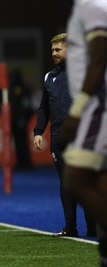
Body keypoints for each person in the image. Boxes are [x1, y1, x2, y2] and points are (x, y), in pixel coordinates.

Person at [34, 33, 96, 238]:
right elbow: (44, 108)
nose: (53, 53)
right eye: (52, 50)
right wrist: (38, 131)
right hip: (59, 139)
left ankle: (93, 227)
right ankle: (71, 227)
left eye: (58, 49)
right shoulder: (49, 76)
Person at [62, 0, 107, 265]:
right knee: (100, 182)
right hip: (96, 103)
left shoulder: (92, 4)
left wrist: (78, 110)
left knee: (76, 178)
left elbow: (100, 55)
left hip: (97, 105)